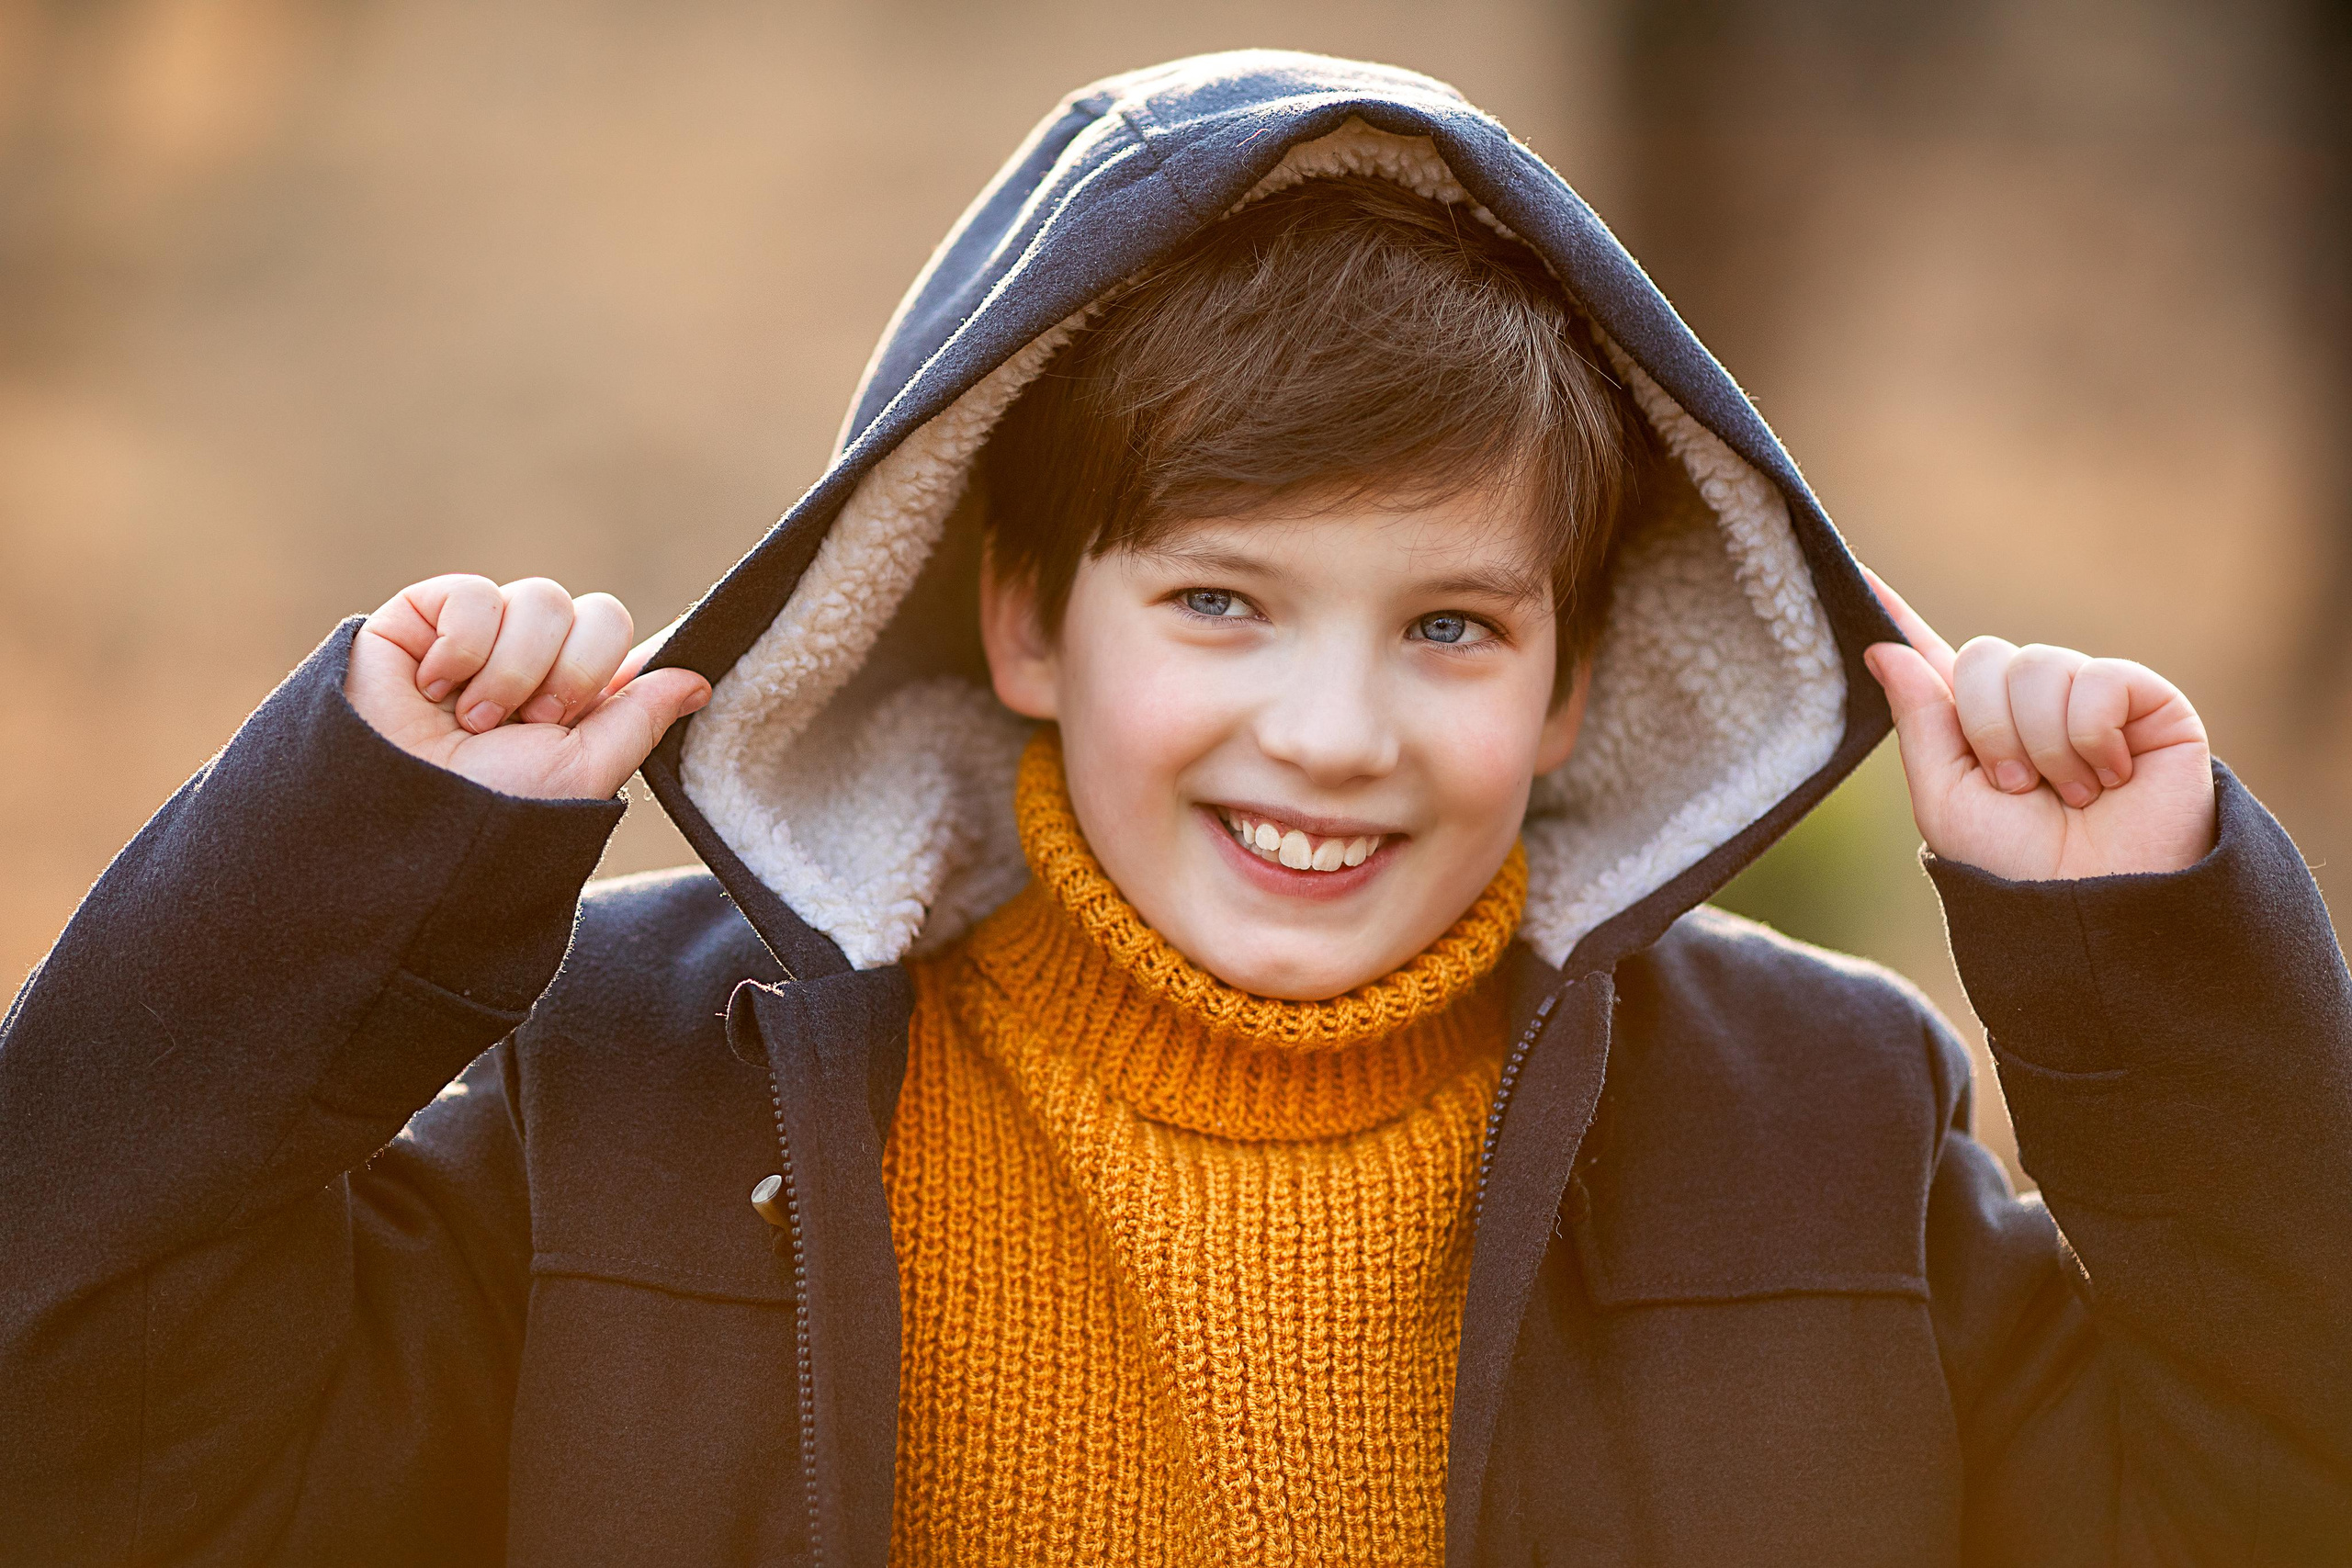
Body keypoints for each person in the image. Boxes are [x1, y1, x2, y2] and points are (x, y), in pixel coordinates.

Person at [3, 49, 2346, 1568]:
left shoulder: (1816, 1122)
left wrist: (2148, 958)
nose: (1331, 731)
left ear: (1568, 679)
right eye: (1221, 601)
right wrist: (356, 858)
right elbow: (79, 1407)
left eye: (1450, 625)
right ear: (1019, 616)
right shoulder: (617, 1084)